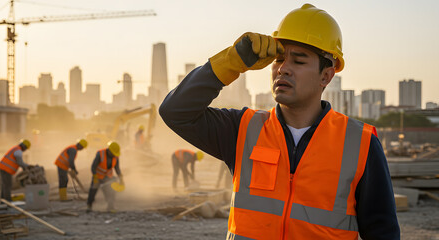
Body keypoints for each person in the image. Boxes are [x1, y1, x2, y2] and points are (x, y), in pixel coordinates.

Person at [159, 4, 400, 239]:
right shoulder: (242, 129)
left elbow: (383, 231)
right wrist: (232, 61)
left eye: (298, 60)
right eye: (279, 59)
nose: (283, 69)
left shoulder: (360, 143)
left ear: (326, 76)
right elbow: (175, 111)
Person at [86, 141, 124, 213]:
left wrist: (121, 178)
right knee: (93, 190)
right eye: (113, 153)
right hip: (98, 175)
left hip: (107, 176)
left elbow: (117, 168)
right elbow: (93, 167)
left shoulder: (115, 156)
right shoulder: (100, 154)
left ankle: (110, 206)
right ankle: (89, 205)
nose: (114, 155)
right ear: (109, 150)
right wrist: (95, 177)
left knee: (111, 191)